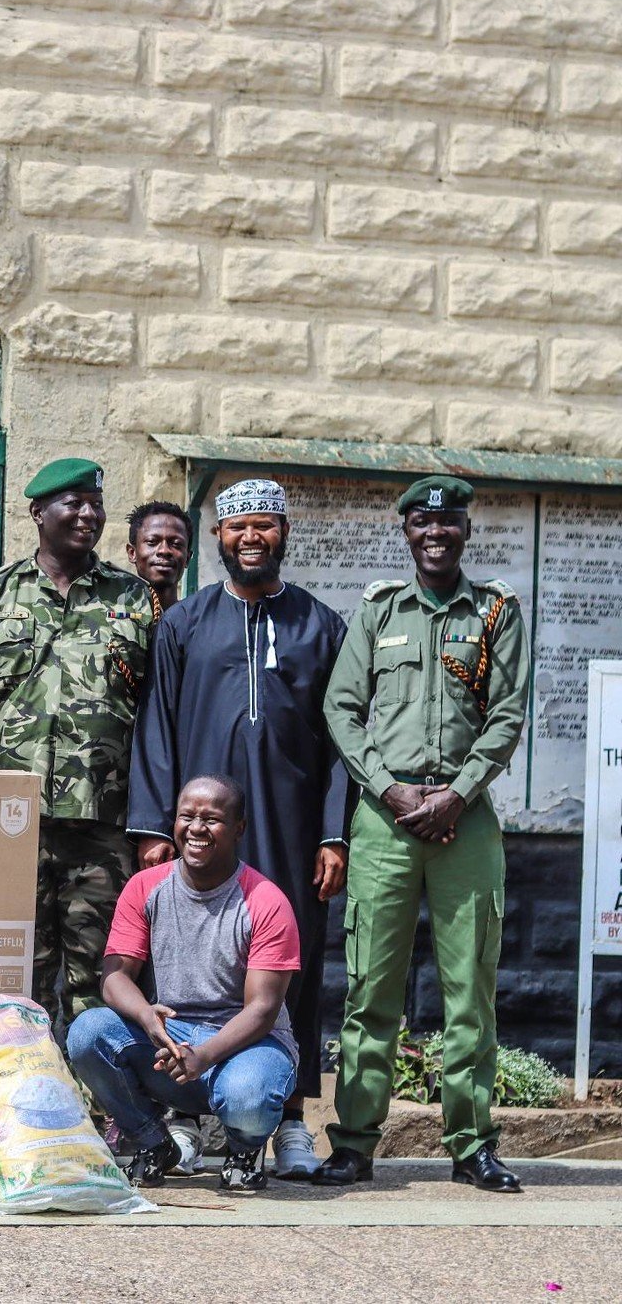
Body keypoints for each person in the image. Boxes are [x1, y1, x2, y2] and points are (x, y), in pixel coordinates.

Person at [126, 477, 349, 1181]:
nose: (251, 537)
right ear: (218, 539)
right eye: (236, 527)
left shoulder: (322, 625)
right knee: (189, 965)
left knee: (293, 968)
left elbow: (344, 737)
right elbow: (155, 729)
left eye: (265, 525)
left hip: (290, 830)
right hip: (196, 838)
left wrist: (334, 834)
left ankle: (286, 1120)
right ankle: (188, 1116)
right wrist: (155, 826)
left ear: (284, 532)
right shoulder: (183, 624)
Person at [313, 475, 529, 1194]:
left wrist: (459, 792)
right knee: (372, 985)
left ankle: (472, 1144)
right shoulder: (379, 611)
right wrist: (389, 786)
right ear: (406, 532)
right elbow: (343, 708)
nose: (436, 533)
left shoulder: (496, 611)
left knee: (471, 990)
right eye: (422, 524)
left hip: (464, 821)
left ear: (466, 529)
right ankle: (353, 1143)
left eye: (449, 523)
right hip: (387, 817)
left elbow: (507, 713)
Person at [0, 458, 156, 1023]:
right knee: (18, 973)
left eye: (95, 503)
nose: (89, 514)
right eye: (73, 503)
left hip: (102, 822)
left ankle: (97, 1105)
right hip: (10, 824)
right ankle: (27, 1102)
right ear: (38, 512)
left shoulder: (134, 599)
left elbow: (160, 711)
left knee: (102, 976)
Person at [67, 775, 300, 1192]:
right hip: (171, 1036)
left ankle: (244, 1151)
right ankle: (152, 1142)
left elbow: (262, 1009)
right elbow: (115, 976)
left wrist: (205, 1054)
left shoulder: (266, 901)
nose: (196, 828)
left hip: (246, 1044)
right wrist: (145, 1015)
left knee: (248, 1096)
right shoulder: (146, 886)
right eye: (186, 816)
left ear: (239, 828)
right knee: (88, 1032)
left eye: (212, 819)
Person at [126, 501, 192, 609]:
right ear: (132, 553)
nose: (164, 550)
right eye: (152, 542)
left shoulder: (197, 623)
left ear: (187, 558)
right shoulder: (110, 619)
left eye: (176, 544)